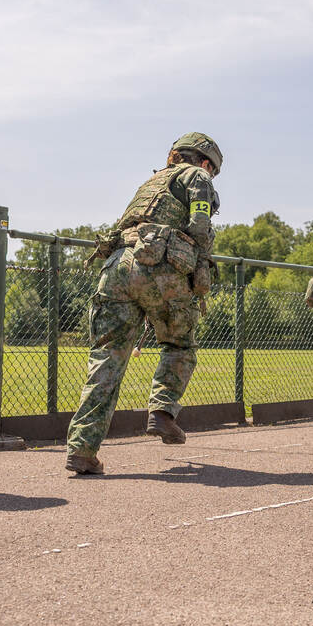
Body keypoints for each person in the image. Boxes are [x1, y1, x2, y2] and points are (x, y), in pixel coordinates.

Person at [65, 133, 222, 475]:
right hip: (161, 267)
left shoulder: (149, 183)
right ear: (207, 163)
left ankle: (82, 448)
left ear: (172, 155)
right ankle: (162, 410)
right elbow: (199, 224)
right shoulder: (198, 177)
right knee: (180, 345)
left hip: (117, 266)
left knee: (106, 360)